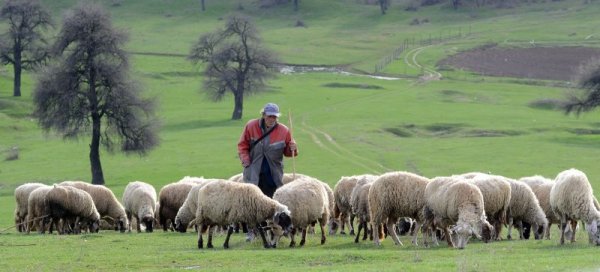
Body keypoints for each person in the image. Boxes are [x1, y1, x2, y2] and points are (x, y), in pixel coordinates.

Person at [237, 102, 298, 198]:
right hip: (254, 172)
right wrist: (246, 161)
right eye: (269, 116)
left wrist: (292, 148)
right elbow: (242, 145)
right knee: (252, 200)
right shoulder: (251, 126)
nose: (272, 119)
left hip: (273, 175)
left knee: (272, 202)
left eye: (274, 117)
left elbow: (288, 153)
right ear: (263, 115)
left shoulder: (284, 131)